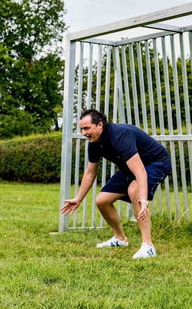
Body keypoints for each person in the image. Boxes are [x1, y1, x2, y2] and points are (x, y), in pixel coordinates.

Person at [61, 109, 171, 259]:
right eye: (81, 129)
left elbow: (140, 172)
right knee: (102, 200)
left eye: (86, 128)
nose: (83, 132)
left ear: (100, 125)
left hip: (155, 162)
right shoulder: (94, 142)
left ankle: (148, 246)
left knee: (134, 190)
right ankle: (120, 238)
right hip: (131, 167)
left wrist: (143, 200)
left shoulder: (120, 135)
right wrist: (78, 199)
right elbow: (90, 172)